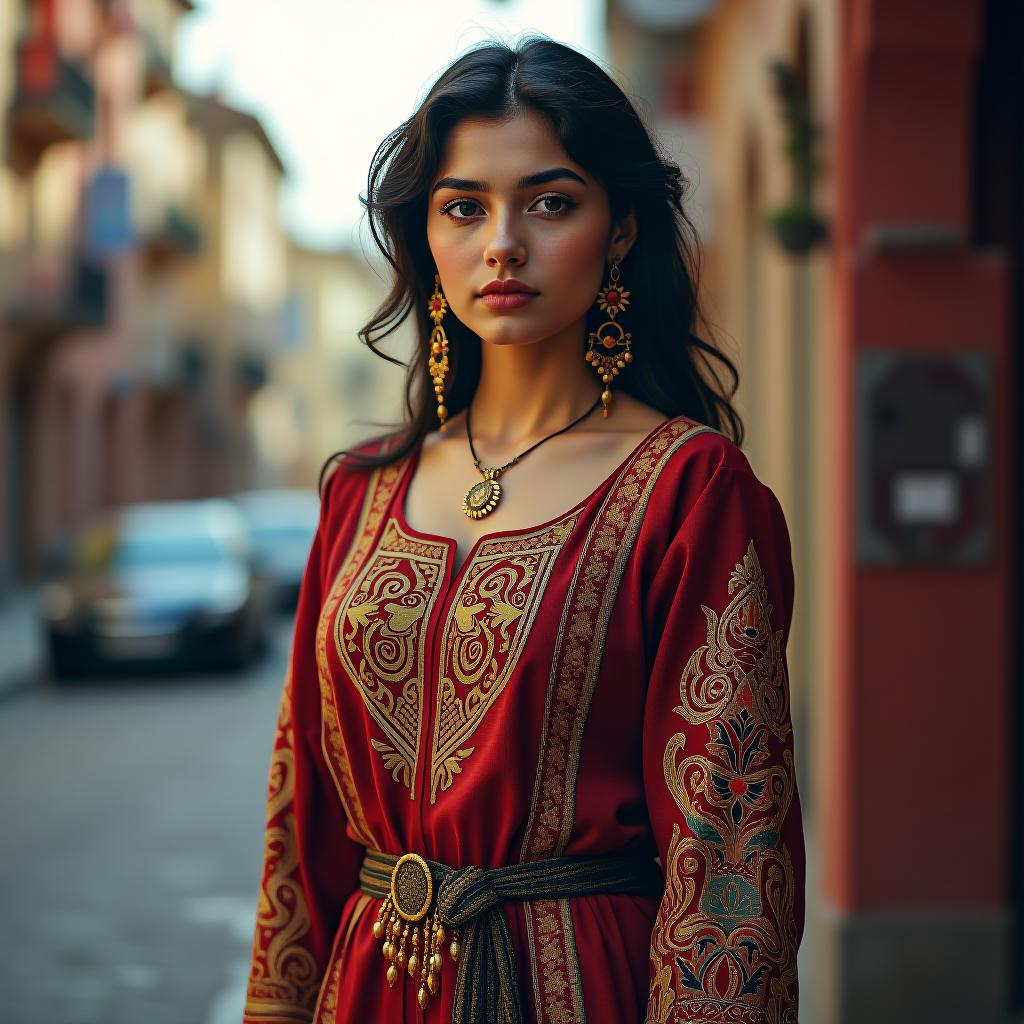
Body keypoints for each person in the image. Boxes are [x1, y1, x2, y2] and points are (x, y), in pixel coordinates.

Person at [242, 36, 805, 1024]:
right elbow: (300, 827)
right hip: (367, 990)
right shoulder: (359, 494)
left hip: (580, 987)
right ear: (427, 236)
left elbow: (728, 852)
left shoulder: (686, 488)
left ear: (619, 228)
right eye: (464, 207)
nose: (503, 241)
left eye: (550, 202)